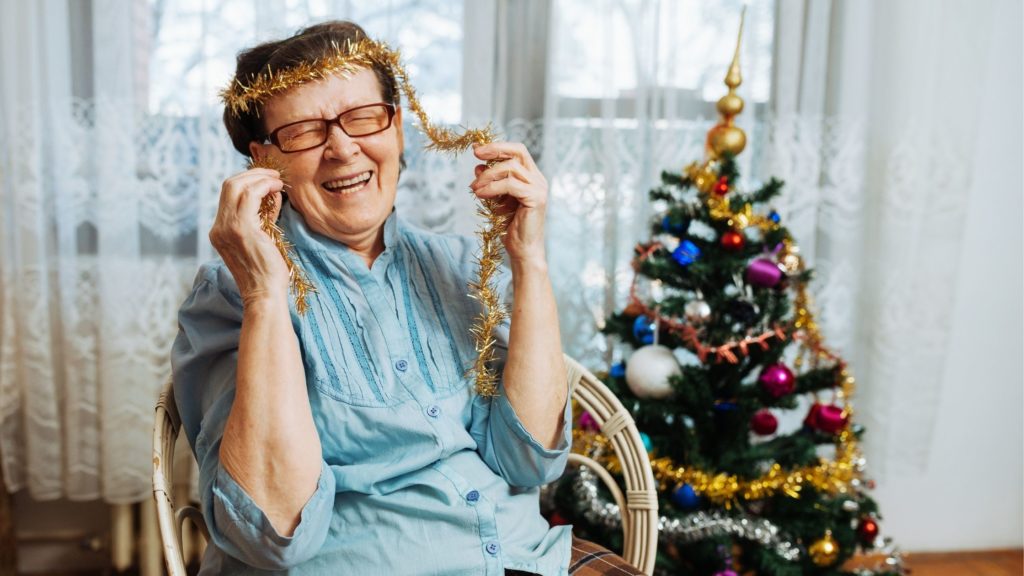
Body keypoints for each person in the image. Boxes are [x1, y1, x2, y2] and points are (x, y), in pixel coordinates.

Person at [172, 20, 642, 575]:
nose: (343, 148)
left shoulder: (458, 265)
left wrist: (529, 260)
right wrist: (265, 294)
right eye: (303, 131)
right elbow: (273, 535)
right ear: (263, 161)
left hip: (526, 559)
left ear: (396, 128)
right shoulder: (234, 292)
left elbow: (530, 461)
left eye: (363, 118)